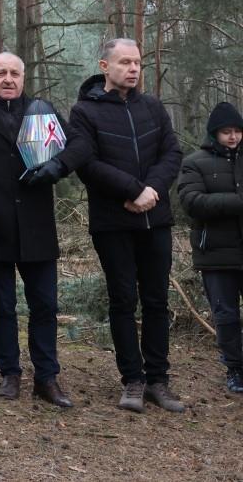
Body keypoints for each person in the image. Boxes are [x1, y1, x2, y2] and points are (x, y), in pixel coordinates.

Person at [0, 51, 91, 407]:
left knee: (44, 306)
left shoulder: (41, 110)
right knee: (2, 305)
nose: (8, 79)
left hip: (37, 224)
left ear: (24, 77)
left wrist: (58, 166)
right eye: (1, 73)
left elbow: (80, 144)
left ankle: (46, 378)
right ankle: (9, 373)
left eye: (15, 73)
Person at [69, 38, 185, 413]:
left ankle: (158, 380)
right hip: (112, 222)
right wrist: (133, 190)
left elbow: (172, 151)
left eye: (137, 63)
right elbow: (86, 163)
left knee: (156, 300)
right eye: (124, 62)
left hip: (157, 218)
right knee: (123, 300)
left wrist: (151, 189)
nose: (133, 69)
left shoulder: (152, 107)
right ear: (105, 66)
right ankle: (132, 381)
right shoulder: (85, 112)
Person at [178, 102, 243, 394]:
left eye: (237, 131)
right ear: (215, 133)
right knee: (226, 316)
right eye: (227, 132)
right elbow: (192, 202)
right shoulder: (194, 162)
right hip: (216, 254)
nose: (233, 137)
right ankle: (235, 368)